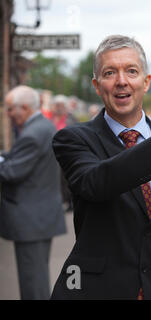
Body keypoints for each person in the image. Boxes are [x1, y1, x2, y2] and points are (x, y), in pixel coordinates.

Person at [50, 35, 151, 299]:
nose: (121, 81)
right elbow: (96, 183)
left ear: (146, 82)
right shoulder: (73, 139)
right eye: (110, 73)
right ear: (97, 85)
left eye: (132, 71)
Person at [0, 85, 67, 300]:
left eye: (11, 109)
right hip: (40, 215)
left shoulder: (31, 133)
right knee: (36, 278)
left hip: (31, 218)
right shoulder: (43, 127)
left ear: (26, 108)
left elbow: (11, 172)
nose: (8, 114)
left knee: (33, 283)